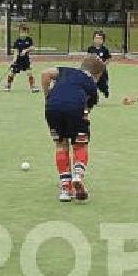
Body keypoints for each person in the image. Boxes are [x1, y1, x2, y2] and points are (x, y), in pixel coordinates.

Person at [39, 56, 106, 202]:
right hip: (75, 110)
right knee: (80, 144)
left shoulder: (65, 71)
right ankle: (77, 175)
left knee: (61, 145)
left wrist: (47, 96)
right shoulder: (92, 86)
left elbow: (45, 74)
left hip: (52, 108)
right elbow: (87, 110)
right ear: (98, 75)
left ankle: (65, 189)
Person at [2, 24, 39, 92]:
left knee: (29, 73)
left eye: (25, 32)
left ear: (27, 32)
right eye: (22, 32)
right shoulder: (17, 41)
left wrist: (26, 50)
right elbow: (16, 52)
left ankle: (33, 87)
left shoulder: (29, 40)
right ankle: (8, 85)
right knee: (12, 73)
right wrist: (13, 61)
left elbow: (32, 47)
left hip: (26, 60)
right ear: (19, 32)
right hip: (18, 61)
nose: (23, 34)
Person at [85, 30, 112, 99]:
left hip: (101, 72)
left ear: (103, 40)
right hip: (93, 71)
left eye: (100, 38)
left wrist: (103, 64)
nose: (98, 40)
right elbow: (88, 57)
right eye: (96, 38)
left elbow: (108, 59)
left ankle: (105, 91)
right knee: (92, 84)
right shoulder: (90, 49)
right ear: (93, 39)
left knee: (102, 85)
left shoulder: (105, 50)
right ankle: (93, 97)